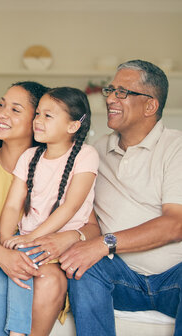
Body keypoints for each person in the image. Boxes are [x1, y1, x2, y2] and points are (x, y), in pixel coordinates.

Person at [0, 82, 101, 336]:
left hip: (36, 248)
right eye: (1, 105)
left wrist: (62, 238)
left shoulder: (76, 159)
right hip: (1, 247)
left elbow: (86, 220)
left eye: (15, 109)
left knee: (48, 278)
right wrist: (5, 249)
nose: (1, 113)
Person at [61, 60, 182, 336]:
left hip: (176, 276)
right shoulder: (94, 152)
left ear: (150, 105)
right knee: (83, 266)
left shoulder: (176, 147)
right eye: (111, 90)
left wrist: (104, 243)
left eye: (123, 92)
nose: (111, 99)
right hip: (121, 277)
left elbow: (176, 224)